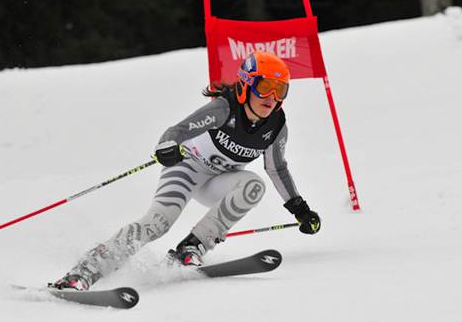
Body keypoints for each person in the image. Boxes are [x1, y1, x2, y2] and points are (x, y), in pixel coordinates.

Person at [51, 51, 321, 291]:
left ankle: (193, 247)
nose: (272, 98)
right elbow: (176, 131)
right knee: (158, 224)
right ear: (246, 84)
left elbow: (277, 168)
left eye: (280, 90)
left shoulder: (275, 127)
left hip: (218, 182)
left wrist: (299, 208)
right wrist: (167, 146)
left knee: (253, 186)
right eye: (265, 87)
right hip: (187, 168)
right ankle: (84, 272)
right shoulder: (224, 109)